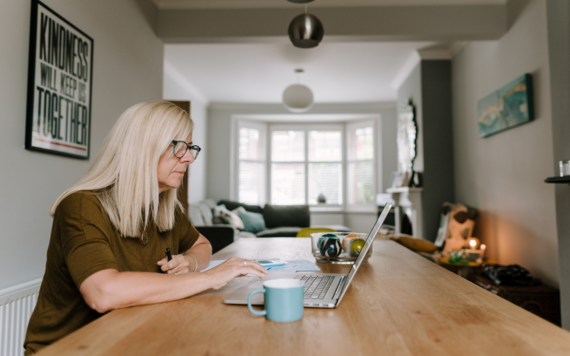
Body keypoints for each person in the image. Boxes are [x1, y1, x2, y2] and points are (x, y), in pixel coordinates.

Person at [23, 101, 268, 355]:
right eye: (180, 147)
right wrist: (209, 278)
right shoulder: (82, 206)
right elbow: (103, 293)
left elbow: (202, 245)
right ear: (143, 148)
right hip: (71, 349)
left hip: (132, 340)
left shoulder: (165, 208)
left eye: (191, 147)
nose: (190, 158)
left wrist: (189, 262)